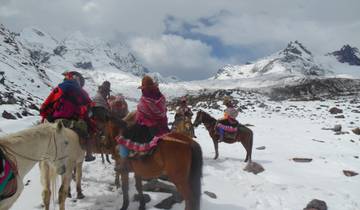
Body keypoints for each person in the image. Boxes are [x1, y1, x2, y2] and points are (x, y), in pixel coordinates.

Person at [40, 71, 96, 162]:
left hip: (55, 119)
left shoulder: (59, 88)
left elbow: (48, 102)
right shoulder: (82, 92)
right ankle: (89, 154)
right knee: (87, 134)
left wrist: (46, 113)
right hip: (71, 121)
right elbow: (89, 106)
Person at [116, 75, 169, 171]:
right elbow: (163, 112)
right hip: (162, 127)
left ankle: (124, 163)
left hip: (147, 128)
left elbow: (141, 114)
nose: (142, 90)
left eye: (143, 88)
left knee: (123, 135)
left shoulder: (145, 99)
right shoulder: (161, 98)